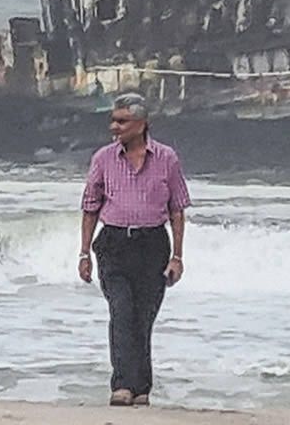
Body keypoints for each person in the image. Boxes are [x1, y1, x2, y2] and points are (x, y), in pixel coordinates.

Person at [78, 92, 191, 407]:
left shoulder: (166, 158)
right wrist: (84, 253)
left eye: (122, 121)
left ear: (141, 124)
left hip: (153, 245)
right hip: (113, 244)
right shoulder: (103, 159)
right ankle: (122, 385)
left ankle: (141, 387)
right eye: (113, 120)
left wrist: (177, 256)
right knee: (121, 312)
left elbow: (177, 209)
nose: (114, 127)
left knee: (143, 318)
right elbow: (90, 207)